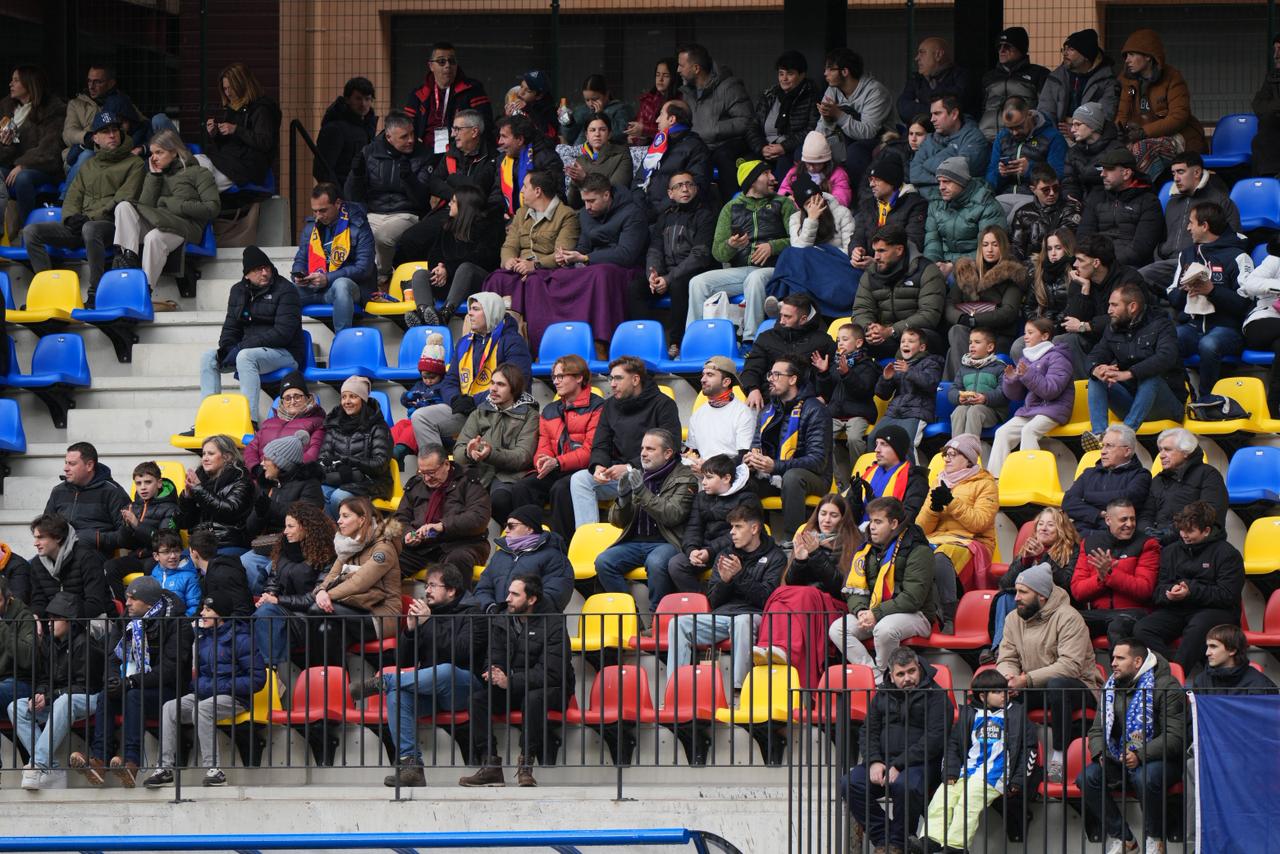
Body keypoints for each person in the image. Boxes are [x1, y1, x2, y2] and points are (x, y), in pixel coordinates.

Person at [352, 563, 486, 788]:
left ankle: (385, 681)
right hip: (431, 691)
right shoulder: (427, 617)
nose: (427, 590)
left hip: (465, 688)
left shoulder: (475, 614)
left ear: (451, 590)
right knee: (397, 695)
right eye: (426, 585)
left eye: (433, 585)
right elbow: (404, 662)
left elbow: (461, 652)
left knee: (445, 670)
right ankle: (411, 766)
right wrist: (411, 631)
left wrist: (428, 623)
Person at [491, 174, 647, 354]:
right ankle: (558, 343)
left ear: (606, 195)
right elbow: (583, 246)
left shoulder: (632, 213)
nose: (587, 207)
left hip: (624, 269)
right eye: (584, 201)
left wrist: (584, 258)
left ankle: (599, 343)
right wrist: (568, 257)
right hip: (592, 265)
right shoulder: (586, 214)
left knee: (600, 273)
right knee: (559, 276)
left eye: (591, 201)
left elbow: (627, 254)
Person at [73, 576, 192, 788]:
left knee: (134, 695)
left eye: (132, 599)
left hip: (168, 690)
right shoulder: (126, 619)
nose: (126, 603)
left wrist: (131, 683)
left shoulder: (177, 623)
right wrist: (113, 681)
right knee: (105, 695)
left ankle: (131, 763)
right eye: (127, 598)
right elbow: (112, 657)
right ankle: (99, 760)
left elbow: (170, 669)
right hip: (132, 684)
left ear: (149, 603)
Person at [143, 591, 266, 789]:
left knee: (203, 709)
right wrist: (202, 686)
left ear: (221, 615)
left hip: (234, 698)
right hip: (205, 694)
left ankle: (215, 770)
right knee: (169, 707)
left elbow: (258, 679)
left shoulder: (242, 639)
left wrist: (221, 686)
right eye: (203, 608)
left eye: (207, 610)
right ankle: (164, 769)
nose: (202, 613)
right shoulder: (202, 640)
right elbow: (199, 676)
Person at [460, 574, 573, 788]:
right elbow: (492, 656)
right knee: (477, 700)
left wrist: (510, 681)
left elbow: (551, 673)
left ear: (531, 600)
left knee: (533, 698)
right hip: (513, 685)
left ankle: (526, 766)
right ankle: (490, 764)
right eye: (509, 592)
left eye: (514, 594)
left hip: (553, 690)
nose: (508, 598)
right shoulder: (502, 620)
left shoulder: (554, 623)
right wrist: (493, 671)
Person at [995, 562, 1102, 783]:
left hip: (1079, 687)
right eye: (1016, 591)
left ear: (1042, 596)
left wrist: (1025, 679)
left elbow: (1070, 666)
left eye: (1023, 592)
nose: (1016, 598)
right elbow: (1007, 658)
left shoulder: (1068, 617)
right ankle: (1015, 758)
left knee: (1057, 685)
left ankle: (1059, 756)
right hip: (1035, 684)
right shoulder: (1013, 619)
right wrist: (1008, 678)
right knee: (1003, 695)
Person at [1078, 639, 1187, 854]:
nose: (1113, 663)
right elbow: (1097, 730)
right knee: (1087, 778)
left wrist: (1140, 754)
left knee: (1143, 776)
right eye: (1113, 658)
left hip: (1161, 760)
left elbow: (1175, 737)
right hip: (1120, 757)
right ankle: (1124, 839)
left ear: (1137, 661)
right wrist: (1101, 753)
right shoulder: (1110, 687)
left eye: (1120, 658)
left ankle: (1154, 838)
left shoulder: (1166, 686)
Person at [24, 110, 143, 305]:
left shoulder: (135, 164)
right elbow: (73, 195)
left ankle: (96, 292)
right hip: (81, 226)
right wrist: (70, 218)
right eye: (105, 132)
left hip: (110, 226)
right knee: (31, 232)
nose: (112, 135)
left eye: (115, 130)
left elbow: (124, 198)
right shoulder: (88, 165)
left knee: (90, 228)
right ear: (95, 137)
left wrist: (90, 218)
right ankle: (50, 291)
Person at [666, 503, 785, 693]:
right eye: (732, 527)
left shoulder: (775, 556)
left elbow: (766, 599)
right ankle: (676, 689)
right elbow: (713, 601)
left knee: (742, 621)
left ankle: (740, 691)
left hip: (754, 616)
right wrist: (725, 581)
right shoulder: (725, 554)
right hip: (723, 616)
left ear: (754, 528)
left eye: (738, 527)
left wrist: (739, 575)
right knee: (678, 624)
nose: (732, 532)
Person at [841, 649, 951, 854]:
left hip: (921, 764)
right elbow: (868, 731)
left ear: (918, 668)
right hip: (883, 761)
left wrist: (899, 764)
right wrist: (873, 760)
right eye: (901, 674)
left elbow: (935, 739)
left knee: (905, 786)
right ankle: (886, 839)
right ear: (891, 675)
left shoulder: (937, 696)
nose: (907, 678)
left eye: (911, 671)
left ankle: (898, 845)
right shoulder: (882, 694)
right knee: (850, 783)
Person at [558, 356, 681, 537]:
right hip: (619, 475)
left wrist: (630, 467)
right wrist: (598, 466)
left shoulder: (663, 404)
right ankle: (589, 540)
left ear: (635, 379)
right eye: (610, 378)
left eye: (618, 378)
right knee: (580, 480)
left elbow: (671, 446)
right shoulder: (610, 406)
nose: (612, 384)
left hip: (655, 476)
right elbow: (601, 443)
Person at [922, 668, 1033, 854]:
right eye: (997, 692)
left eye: (1005, 690)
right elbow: (953, 744)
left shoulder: (1017, 714)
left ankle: (956, 847)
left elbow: (1028, 749)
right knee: (943, 795)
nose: (1004, 695)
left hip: (996, 773)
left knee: (969, 801)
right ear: (982, 697)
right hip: (967, 770)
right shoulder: (970, 713)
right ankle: (931, 840)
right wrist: (950, 771)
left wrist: (1018, 780)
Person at [687, 159, 797, 343]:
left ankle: (751, 340)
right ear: (752, 181)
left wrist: (773, 246)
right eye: (766, 174)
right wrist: (731, 245)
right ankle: (695, 340)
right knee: (697, 283)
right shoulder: (730, 208)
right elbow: (718, 253)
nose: (773, 178)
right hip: (743, 271)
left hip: (776, 269)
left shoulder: (783, 203)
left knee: (755, 279)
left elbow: (798, 240)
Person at [752, 494, 855, 688]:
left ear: (843, 518)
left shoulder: (851, 543)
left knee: (802, 594)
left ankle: (785, 648)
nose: (826, 519)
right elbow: (790, 582)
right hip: (805, 601)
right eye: (823, 513)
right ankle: (771, 648)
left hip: (833, 605)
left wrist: (816, 554)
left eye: (833, 515)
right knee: (779, 595)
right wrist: (799, 560)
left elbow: (840, 586)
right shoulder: (807, 537)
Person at [828, 497, 937, 678]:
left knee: (884, 629)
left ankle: (889, 675)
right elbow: (854, 589)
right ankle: (877, 677)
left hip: (917, 615)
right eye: (871, 521)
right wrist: (861, 610)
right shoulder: (867, 549)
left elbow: (912, 598)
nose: (871, 527)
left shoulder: (919, 551)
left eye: (878, 522)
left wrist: (876, 613)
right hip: (876, 612)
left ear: (894, 523)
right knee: (838, 629)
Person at [410, 293, 532, 451]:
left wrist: (473, 401)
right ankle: (438, 469)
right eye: (469, 309)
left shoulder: (512, 341)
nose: (470, 314)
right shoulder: (463, 343)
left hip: (499, 410)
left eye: (476, 309)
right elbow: (450, 381)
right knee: (420, 417)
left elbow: (515, 383)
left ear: (491, 311)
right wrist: (455, 399)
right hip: (465, 409)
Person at [199, 246, 306, 426]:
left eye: (267, 268)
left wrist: (242, 347)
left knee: (245, 356)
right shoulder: (238, 291)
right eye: (258, 270)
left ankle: (249, 420)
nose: (264, 273)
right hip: (251, 351)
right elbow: (231, 328)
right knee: (209, 358)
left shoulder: (286, 290)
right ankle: (209, 418)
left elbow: (283, 334)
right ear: (247, 274)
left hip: (286, 352)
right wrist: (226, 349)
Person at [1134, 501, 1245, 673]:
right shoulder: (1170, 551)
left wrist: (1191, 591)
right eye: (1182, 530)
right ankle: (1169, 671)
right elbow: (1157, 591)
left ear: (1206, 530)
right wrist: (1168, 594)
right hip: (1177, 608)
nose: (1184, 535)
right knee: (1143, 629)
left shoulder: (1227, 554)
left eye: (1190, 531)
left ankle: (1174, 678)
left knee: (1198, 627)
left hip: (1215, 611)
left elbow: (1228, 595)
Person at [8, 590, 103, 790]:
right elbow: (44, 678)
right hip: (60, 701)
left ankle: (39, 764)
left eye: (55, 619)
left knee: (65, 700)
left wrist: (51, 697)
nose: (49, 623)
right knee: (15, 707)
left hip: (91, 699)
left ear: (70, 621)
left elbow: (87, 686)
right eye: (49, 618)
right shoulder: (51, 644)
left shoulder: (86, 643)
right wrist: (41, 694)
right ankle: (50, 768)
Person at [596, 428, 697, 603]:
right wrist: (623, 499)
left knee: (656, 562)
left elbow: (673, 515)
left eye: (650, 449)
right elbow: (617, 522)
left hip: (668, 542)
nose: (643, 454)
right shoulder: (639, 475)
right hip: (634, 542)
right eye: (642, 448)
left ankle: (657, 619)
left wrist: (641, 492)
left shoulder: (686, 478)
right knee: (604, 561)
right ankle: (629, 616)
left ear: (667, 453)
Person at [114, 129, 220, 292]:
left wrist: (176, 204)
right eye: (152, 153)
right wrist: (154, 177)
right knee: (124, 207)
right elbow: (145, 206)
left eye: (159, 152)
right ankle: (130, 260)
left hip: (185, 226)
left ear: (174, 152)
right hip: (160, 221)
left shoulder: (199, 173)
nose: (154, 158)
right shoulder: (156, 174)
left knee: (153, 237)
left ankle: (144, 291)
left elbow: (213, 208)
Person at [501, 355, 602, 522]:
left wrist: (557, 462)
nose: (555, 381)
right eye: (554, 377)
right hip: (557, 468)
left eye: (561, 376)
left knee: (561, 489)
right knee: (522, 487)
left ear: (578, 377)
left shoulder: (597, 407)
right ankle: (530, 540)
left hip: (583, 470)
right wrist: (541, 459)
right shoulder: (549, 410)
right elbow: (544, 444)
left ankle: (563, 543)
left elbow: (590, 451)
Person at [1168, 202, 1253, 398]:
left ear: (1205, 226)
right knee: (1168, 341)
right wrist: (1184, 290)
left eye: (1191, 223)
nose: (1188, 228)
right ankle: (1183, 396)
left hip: (1228, 329)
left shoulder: (1239, 256)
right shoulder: (1187, 254)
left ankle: (1209, 401)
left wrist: (1212, 291)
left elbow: (1245, 305)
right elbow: (1173, 297)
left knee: (1209, 345)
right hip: (1192, 325)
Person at [1083, 283, 1185, 446]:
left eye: (1114, 305)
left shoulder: (1161, 324)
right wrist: (1097, 368)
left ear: (1132, 307)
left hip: (1165, 406)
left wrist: (1129, 373)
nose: (1109, 310)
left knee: (1150, 379)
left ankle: (1123, 438)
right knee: (1097, 379)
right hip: (1131, 404)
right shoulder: (1112, 328)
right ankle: (1100, 436)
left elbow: (1167, 357)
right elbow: (1094, 355)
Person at [625, 168, 716, 350]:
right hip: (667, 272)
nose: (685, 189)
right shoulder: (665, 217)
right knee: (636, 287)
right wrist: (654, 273)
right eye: (679, 186)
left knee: (679, 284)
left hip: (695, 271)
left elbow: (700, 256)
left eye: (689, 184)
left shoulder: (705, 215)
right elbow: (655, 249)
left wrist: (668, 278)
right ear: (670, 193)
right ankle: (645, 341)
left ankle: (676, 342)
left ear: (696, 189)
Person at [747, 356, 833, 541]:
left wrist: (775, 466)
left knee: (792, 477)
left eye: (777, 375)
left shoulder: (815, 410)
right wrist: (752, 460)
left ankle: (792, 541)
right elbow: (756, 445)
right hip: (773, 474)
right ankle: (753, 541)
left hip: (813, 478)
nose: (770, 379)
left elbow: (817, 461)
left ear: (793, 379)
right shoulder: (767, 410)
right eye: (770, 374)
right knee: (743, 479)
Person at [311, 496, 403, 664]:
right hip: (355, 606)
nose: (339, 521)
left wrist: (327, 596)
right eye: (339, 516)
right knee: (326, 629)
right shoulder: (349, 544)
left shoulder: (383, 548)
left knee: (316, 610)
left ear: (362, 520)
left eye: (345, 516)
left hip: (382, 615)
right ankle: (332, 683)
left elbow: (360, 582)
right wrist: (321, 590)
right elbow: (331, 575)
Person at [343, 113, 433, 280]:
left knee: (383, 238)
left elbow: (421, 201)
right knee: (351, 235)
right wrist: (356, 175)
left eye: (412, 134)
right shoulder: (369, 152)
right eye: (404, 137)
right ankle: (358, 279)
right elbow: (351, 196)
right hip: (373, 213)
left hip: (406, 214)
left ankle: (383, 276)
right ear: (389, 137)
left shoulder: (423, 154)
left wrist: (409, 179)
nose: (411, 140)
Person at [399, 184, 504, 323]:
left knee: (466, 267)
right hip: (448, 282)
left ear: (464, 206)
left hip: (477, 285)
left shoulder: (487, 227)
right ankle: (424, 314)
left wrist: (448, 269)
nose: (449, 204)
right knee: (420, 275)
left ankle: (445, 314)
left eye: (453, 201)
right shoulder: (447, 227)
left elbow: (481, 259)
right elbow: (433, 256)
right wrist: (439, 268)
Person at [987, 506, 1080, 661]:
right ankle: (1000, 648)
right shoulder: (1027, 549)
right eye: (1040, 524)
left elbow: (1066, 584)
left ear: (1062, 530)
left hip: (1054, 606)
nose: (1043, 528)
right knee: (1005, 597)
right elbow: (1005, 584)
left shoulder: (1071, 550)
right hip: (1027, 606)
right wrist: (1026, 560)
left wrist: (1043, 556)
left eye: (1050, 525)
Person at [1141, 153, 1242, 292]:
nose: (1176, 178)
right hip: (1167, 263)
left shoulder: (1221, 202)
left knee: (1140, 276)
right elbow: (1161, 238)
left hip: (1198, 263)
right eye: (1173, 173)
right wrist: (1158, 258)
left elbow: (1235, 239)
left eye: (1181, 172)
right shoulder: (1172, 203)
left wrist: (1203, 258)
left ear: (1197, 172)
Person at [988, 318, 1076, 475]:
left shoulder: (1059, 357)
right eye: (1024, 333)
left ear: (1044, 336)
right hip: (1032, 409)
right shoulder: (1026, 359)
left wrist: (1028, 374)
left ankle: (1030, 477)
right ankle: (994, 480)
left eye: (1030, 333)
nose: (1025, 337)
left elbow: (1051, 390)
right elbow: (1017, 396)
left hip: (1055, 409)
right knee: (1002, 432)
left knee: (1029, 431)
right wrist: (1011, 380)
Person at [665, 454, 762, 597]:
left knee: (722, 561)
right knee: (676, 564)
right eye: (703, 477)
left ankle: (715, 603)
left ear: (726, 478)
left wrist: (709, 552)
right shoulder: (701, 497)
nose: (703, 482)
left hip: (734, 551)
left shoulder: (747, 499)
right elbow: (693, 528)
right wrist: (692, 551)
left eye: (709, 477)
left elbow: (740, 534)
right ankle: (703, 603)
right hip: (705, 550)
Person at [919, 433, 999, 604]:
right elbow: (921, 529)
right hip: (938, 539)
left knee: (941, 558)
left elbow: (980, 523)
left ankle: (948, 612)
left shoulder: (986, 483)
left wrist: (951, 503)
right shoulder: (938, 481)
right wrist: (934, 509)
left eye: (953, 454)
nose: (947, 459)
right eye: (945, 454)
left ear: (969, 460)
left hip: (972, 543)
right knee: (908, 552)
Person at [453, 362, 539, 522]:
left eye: (500, 384)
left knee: (499, 500)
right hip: (479, 474)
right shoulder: (480, 412)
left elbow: (523, 457)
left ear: (514, 388)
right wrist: (469, 452)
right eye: (492, 383)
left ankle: (509, 539)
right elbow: (459, 450)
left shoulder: (530, 416)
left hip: (510, 477)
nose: (493, 388)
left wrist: (490, 454)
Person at [1071, 497, 1160, 650]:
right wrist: (1101, 578)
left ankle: (1120, 674)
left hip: (1134, 613)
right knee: (1064, 620)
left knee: (1117, 626)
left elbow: (1144, 589)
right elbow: (1078, 591)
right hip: (1100, 613)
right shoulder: (1090, 543)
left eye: (1133, 519)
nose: (1130, 524)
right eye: (1124, 519)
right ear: (1108, 520)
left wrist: (1110, 574)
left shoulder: (1147, 544)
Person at [1115, 29, 1206, 180]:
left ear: (1148, 57)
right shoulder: (1128, 81)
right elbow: (1122, 114)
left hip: (1178, 136)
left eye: (1132, 55)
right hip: (1140, 137)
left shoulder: (1172, 77)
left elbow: (1179, 117)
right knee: (1114, 153)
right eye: (1126, 56)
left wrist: (1144, 132)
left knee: (1143, 149)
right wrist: (1119, 131)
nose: (1127, 60)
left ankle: (1141, 193)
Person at [253, 502, 335, 666]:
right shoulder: (283, 548)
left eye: (291, 526)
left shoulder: (327, 554)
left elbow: (314, 597)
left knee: (267, 615)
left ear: (306, 527)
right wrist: (269, 595)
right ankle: (276, 671)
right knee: (263, 614)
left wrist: (278, 601)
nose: (285, 531)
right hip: (282, 612)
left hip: (310, 616)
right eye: (285, 526)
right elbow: (274, 581)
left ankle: (271, 671)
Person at [242, 429, 325, 592]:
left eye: (266, 459)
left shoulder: (310, 484)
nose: (262, 463)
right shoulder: (269, 484)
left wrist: (270, 507)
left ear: (281, 463)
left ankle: (271, 607)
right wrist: (259, 512)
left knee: (267, 572)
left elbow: (306, 516)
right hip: (268, 545)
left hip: (295, 549)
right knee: (245, 562)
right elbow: (250, 530)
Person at [763, 176, 856, 319]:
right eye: (808, 203)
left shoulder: (842, 212)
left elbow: (850, 250)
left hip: (838, 266)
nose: (814, 205)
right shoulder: (795, 219)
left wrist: (820, 254)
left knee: (789, 254)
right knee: (791, 255)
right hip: (810, 269)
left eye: (816, 198)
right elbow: (798, 251)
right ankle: (787, 304)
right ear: (801, 207)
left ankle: (782, 300)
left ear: (822, 195)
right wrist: (811, 220)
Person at [394, 446, 491, 582]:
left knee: (456, 561)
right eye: (422, 473)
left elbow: (479, 518)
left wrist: (442, 526)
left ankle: (456, 602)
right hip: (423, 545)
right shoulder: (416, 485)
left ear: (446, 464)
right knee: (389, 558)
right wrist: (408, 534)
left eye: (431, 472)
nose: (427, 478)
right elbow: (400, 518)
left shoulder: (468, 482)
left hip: (463, 543)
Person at [290, 182, 376, 331]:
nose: (318, 216)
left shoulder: (358, 225)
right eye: (315, 211)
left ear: (337, 203)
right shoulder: (311, 227)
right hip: (316, 288)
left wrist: (328, 278)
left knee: (341, 284)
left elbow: (364, 268)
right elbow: (301, 259)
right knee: (283, 290)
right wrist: (299, 275)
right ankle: (289, 345)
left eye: (323, 210)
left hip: (352, 289)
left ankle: (342, 344)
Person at [851, 225, 946, 360]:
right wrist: (870, 329)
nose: (876, 257)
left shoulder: (927, 270)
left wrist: (892, 331)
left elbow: (929, 315)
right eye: (875, 251)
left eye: (882, 251)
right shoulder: (870, 274)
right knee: (851, 339)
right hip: (884, 336)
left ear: (899, 250)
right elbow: (861, 309)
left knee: (912, 342)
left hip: (920, 335)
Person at [944, 226, 1026, 374]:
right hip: (968, 333)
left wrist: (975, 320)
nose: (989, 249)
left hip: (997, 334)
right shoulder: (966, 272)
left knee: (954, 350)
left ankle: (965, 379)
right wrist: (962, 318)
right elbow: (949, 304)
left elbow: (1009, 312)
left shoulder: (1013, 274)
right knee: (956, 331)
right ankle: (961, 383)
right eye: (985, 245)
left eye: (995, 245)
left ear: (1003, 247)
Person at [677, 43, 753, 201]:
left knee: (722, 157)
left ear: (696, 68)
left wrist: (713, 130)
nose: (678, 70)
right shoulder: (686, 92)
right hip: (700, 147)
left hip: (725, 146)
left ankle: (734, 208)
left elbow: (747, 120)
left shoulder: (729, 87)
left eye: (681, 65)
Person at [739, 292, 837, 407]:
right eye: (781, 315)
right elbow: (751, 369)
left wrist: (824, 397)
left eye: (787, 317)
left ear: (803, 319)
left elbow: (834, 375)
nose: (781, 321)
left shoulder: (823, 342)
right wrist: (753, 390)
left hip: (806, 406)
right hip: (769, 402)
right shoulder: (766, 338)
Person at [100, 461, 182, 596]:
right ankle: (123, 611)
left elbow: (165, 541)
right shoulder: (133, 507)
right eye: (138, 483)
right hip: (137, 556)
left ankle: (150, 611)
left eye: (148, 482)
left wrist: (137, 525)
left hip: (156, 558)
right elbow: (123, 543)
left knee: (151, 569)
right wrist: (127, 527)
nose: (143, 487)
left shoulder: (171, 508)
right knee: (110, 567)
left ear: (159, 483)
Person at [472, 504, 573, 614]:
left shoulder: (554, 556)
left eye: (511, 526)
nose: (506, 530)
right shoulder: (499, 556)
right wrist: (492, 609)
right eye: (506, 525)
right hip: (497, 624)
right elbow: (482, 589)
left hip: (535, 625)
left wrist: (520, 611)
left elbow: (556, 594)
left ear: (529, 528)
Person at [316, 376, 393, 517]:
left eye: (353, 396)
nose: (347, 401)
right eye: (344, 397)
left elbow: (380, 464)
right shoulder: (334, 426)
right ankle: (334, 534)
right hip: (340, 479)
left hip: (372, 483)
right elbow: (322, 460)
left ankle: (348, 534)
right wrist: (340, 470)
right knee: (318, 492)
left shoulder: (378, 427)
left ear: (363, 399)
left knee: (339, 498)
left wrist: (349, 461)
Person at [817, 48, 894, 187]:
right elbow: (821, 128)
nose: (825, 73)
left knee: (855, 152)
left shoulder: (875, 91)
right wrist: (826, 122)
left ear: (845, 72)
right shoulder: (832, 89)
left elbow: (868, 132)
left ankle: (860, 200)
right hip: (843, 139)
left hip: (879, 140)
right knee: (809, 150)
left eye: (830, 69)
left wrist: (838, 114)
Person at [1078, 148, 1165, 271]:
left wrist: (1107, 265)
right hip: (1096, 265)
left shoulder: (1149, 202)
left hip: (1130, 268)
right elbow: (1083, 236)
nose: (1102, 174)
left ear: (1126, 173)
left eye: (1108, 169)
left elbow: (1141, 249)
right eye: (1102, 169)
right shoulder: (1097, 196)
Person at [198, 62, 280, 192]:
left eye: (231, 88)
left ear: (243, 85)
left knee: (199, 180)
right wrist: (216, 134)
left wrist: (236, 129)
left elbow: (265, 142)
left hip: (245, 166)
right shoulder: (234, 108)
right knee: (194, 162)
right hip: (229, 161)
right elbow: (229, 142)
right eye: (225, 89)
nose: (228, 93)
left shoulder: (262, 110)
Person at [0, 66, 66, 223]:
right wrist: (5, 144)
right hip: (11, 167)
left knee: (23, 178)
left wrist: (23, 164)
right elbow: (7, 153)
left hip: (44, 169)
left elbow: (50, 150)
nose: (11, 84)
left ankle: (27, 229)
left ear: (30, 84)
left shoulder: (52, 109)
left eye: (16, 80)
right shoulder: (7, 108)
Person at [403, 41, 493, 157]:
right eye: (441, 61)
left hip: (460, 153)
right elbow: (405, 125)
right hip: (423, 153)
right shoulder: (418, 94)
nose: (447, 65)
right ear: (431, 66)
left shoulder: (472, 90)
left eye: (452, 61)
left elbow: (485, 124)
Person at [61, 63, 146, 184]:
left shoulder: (120, 101)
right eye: (89, 81)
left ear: (111, 83)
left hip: (113, 153)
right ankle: (64, 199)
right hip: (78, 156)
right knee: (87, 155)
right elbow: (68, 134)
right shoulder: (76, 104)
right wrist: (87, 137)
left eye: (97, 82)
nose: (91, 86)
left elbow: (140, 123)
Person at [1064, 424, 1152, 538]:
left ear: (1127, 451)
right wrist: (1099, 514)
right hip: (1079, 534)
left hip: (1113, 538)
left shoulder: (1141, 475)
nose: (1103, 451)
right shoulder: (1089, 473)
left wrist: (1086, 497)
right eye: (1102, 446)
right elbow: (1068, 502)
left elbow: (1126, 499)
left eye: (1109, 446)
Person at [922, 157, 1005, 277]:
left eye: (947, 181)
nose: (941, 187)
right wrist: (933, 264)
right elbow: (932, 240)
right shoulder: (936, 203)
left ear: (962, 182)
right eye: (939, 182)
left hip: (976, 268)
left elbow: (989, 250)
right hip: (943, 264)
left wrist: (953, 265)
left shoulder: (987, 205)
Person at [1145, 428, 1227, 546]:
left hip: (1195, 546)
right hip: (1159, 544)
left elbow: (1209, 514)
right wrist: (1146, 532)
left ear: (1185, 452)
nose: (1161, 455)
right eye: (1160, 450)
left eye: (1167, 450)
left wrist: (1169, 533)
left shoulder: (1208, 475)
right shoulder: (1157, 481)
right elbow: (1145, 514)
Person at [43, 442, 129, 556]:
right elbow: (45, 526)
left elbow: (127, 536)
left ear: (89, 465)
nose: (65, 468)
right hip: (59, 553)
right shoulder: (58, 491)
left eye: (72, 464)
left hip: (93, 554)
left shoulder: (113, 491)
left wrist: (95, 538)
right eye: (66, 463)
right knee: (29, 568)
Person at [745, 51, 819, 180]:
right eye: (781, 74)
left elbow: (812, 129)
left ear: (802, 75)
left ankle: (779, 199)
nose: (784, 79)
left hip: (791, 150)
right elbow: (753, 126)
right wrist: (762, 147)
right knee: (746, 163)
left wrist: (784, 147)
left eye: (790, 74)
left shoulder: (811, 96)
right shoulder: (769, 95)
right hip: (766, 148)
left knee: (784, 162)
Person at [177, 435, 255, 554]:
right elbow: (182, 523)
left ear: (227, 457)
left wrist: (200, 490)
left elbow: (229, 511)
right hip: (199, 545)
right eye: (204, 454)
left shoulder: (241, 480)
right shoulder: (200, 481)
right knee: (175, 566)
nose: (205, 458)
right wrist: (188, 497)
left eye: (211, 454)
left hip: (227, 543)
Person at [23, 513, 109, 620]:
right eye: (35, 538)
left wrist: (64, 619)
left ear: (58, 537)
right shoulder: (37, 563)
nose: (35, 543)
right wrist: (36, 616)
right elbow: (39, 601)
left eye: (40, 537)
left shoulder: (87, 558)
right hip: (55, 625)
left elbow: (95, 604)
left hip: (88, 624)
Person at [985, 96, 1067, 208]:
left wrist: (1030, 170)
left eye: (1019, 126)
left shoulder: (1053, 137)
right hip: (1004, 196)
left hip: (1034, 198)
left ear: (1029, 114)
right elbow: (991, 174)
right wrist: (1001, 173)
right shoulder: (1002, 137)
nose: (1014, 133)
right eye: (1010, 128)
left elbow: (1059, 175)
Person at [818, 323, 880, 471]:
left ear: (858, 343)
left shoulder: (867, 365)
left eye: (845, 339)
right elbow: (827, 393)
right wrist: (823, 373)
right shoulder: (835, 364)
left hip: (858, 413)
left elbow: (864, 391)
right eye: (838, 340)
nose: (840, 343)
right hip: (835, 414)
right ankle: (836, 481)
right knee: (821, 437)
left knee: (854, 439)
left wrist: (847, 374)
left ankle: (857, 474)